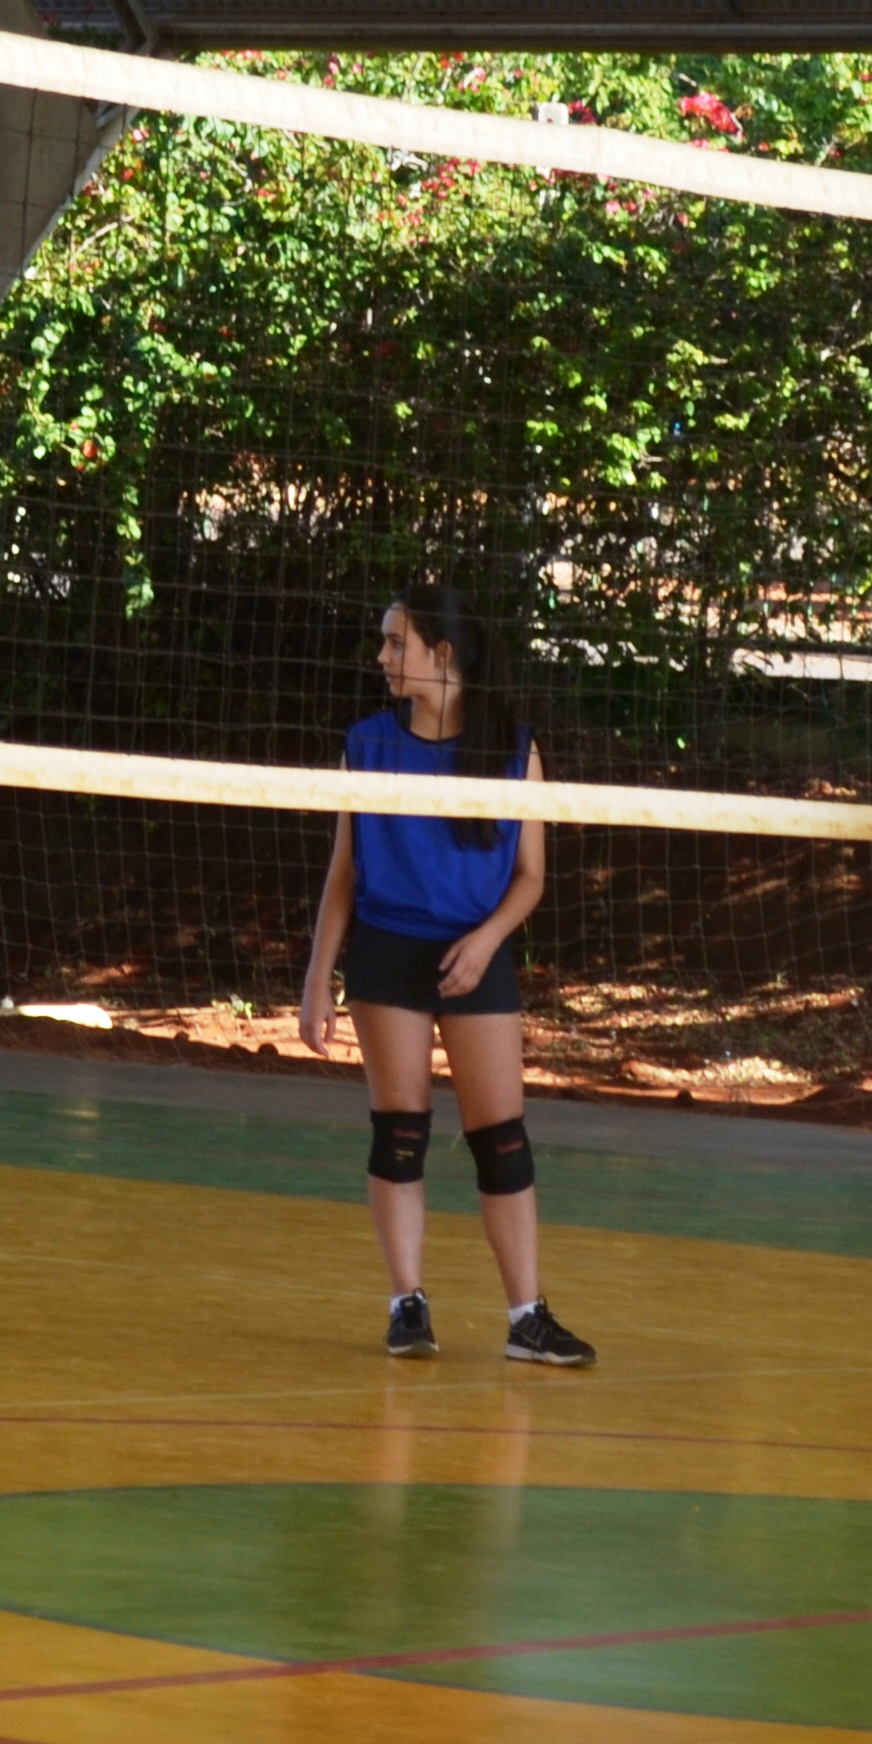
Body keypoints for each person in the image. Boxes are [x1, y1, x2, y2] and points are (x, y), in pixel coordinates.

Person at [295, 585, 596, 1370]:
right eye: (384, 642)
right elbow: (342, 873)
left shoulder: (512, 748)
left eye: (397, 644)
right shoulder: (366, 743)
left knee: (502, 1140)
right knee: (401, 1132)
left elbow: (529, 876)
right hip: (388, 950)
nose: (383, 658)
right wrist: (316, 979)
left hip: (475, 953)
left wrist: (486, 939)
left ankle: (526, 1318)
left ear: (443, 654)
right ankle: (408, 1304)